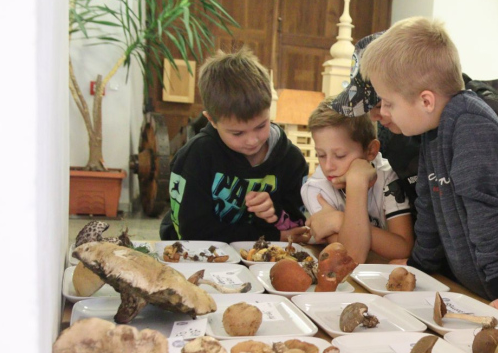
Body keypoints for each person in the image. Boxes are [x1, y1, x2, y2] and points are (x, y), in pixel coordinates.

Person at [359, 17, 498, 314]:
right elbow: (428, 209)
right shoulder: (432, 130)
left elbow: (485, 214)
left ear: (426, 100)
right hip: (478, 287)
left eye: (388, 103)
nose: (383, 112)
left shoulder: (471, 126)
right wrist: (418, 267)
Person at [160, 47, 310, 243]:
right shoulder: (196, 157)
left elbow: (296, 230)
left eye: (261, 126)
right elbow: (192, 232)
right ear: (211, 120)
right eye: (237, 133)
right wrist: (268, 236)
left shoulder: (292, 161)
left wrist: (273, 213)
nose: (252, 140)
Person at [300, 100, 413, 263]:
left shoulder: (389, 176)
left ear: (371, 151)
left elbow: (404, 248)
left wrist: (339, 220)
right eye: (321, 155)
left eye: (340, 156)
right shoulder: (316, 189)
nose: (328, 166)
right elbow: (351, 256)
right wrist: (357, 185)